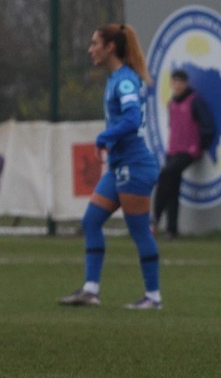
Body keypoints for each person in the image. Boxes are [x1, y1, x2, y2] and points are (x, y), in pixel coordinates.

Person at [60, 24, 163, 310]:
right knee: (91, 221)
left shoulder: (125, 80)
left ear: (110, 48)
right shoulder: (116, 78)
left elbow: (132, 119)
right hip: (120, 165)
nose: (90, 49)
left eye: (95, 44)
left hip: (135, 165)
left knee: (139, 231)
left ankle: (153, 297)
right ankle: (90, 291)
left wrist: (104, 137)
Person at [152, 69, 214, 239]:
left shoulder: (195, 101)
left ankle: (155, 218)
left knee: (165, 174)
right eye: (174, 82)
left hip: (188, 152)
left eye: (180, 82)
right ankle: (172, 230)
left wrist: (199, 146)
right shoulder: (171, 103)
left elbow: (208, 126)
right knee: (172, 188)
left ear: (185, 83)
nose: (177, 85)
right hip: (173, 151)